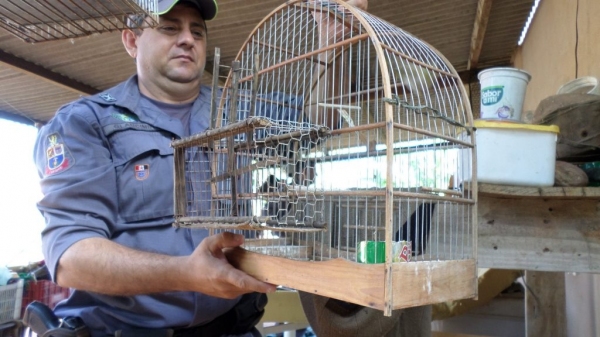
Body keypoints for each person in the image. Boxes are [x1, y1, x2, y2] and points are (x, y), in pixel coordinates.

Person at [32, 0, 367, 336]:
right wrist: (185, 272)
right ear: (131, 41)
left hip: (230, 326)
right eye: (169, 27)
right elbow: (71, 257)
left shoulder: (235, 110)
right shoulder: (85, 123)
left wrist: (332, 38)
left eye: (197, 31)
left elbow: (317, 122)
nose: (187, 39)